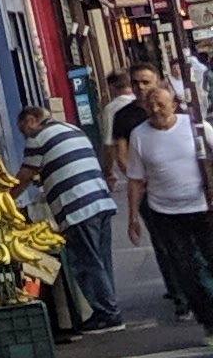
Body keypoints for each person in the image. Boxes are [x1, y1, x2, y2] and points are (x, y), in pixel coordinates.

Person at [121, 64, 213, 336]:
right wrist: (132, 218)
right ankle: (209, 320)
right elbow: (136, 180)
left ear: (173, 105)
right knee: (187, 270)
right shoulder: (139, 135)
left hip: (203, 207)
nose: (156, 110)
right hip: (166, 213)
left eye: (161, 105)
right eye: (151, 107)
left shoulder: (195, 126)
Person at [19, 99, 123, 334]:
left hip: (78, 207)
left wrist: (4, 199)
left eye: (23, 130)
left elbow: (25, 176)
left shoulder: (38, 138)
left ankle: (108, 314)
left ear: (32, 120)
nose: (25, 137)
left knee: (87, 262)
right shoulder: (71, 129)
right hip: (100, 200)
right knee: (101, 260)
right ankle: (109, 308)